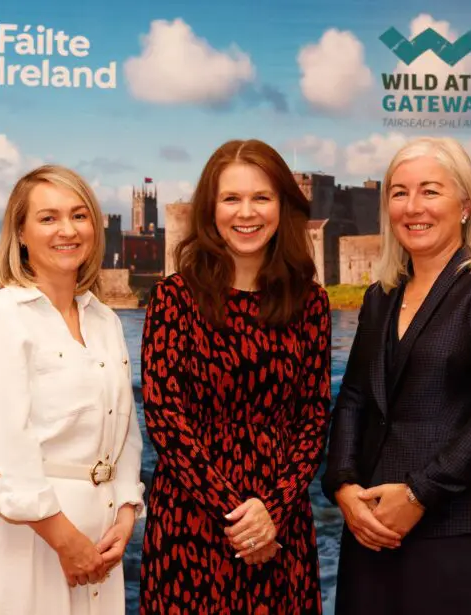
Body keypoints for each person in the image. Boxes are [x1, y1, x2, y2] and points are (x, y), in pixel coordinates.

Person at [321, 137, 471, 614]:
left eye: (429, 191)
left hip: (459, 531)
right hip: (372, 528)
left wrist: (420, 493)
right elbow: (355, 398)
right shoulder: (380, 296)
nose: (412, 206)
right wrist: (342, 485)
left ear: (465, 204)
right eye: (398, 193)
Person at [139, 139, 331, 613]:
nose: (247, 213)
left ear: (282, 206)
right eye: (232, 198)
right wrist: (241, 517)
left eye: (261, 198)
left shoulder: (311, 303)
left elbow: (312, 419)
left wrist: (274, 512)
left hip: (280, 523)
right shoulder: (173, 299)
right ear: (211, 209)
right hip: (191, 521)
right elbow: (166, 420)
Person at [0, 165, 145, 615]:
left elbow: (124, 429)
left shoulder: (104, 320)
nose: (68, 230)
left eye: (79, 216)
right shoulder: (0, 317)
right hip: (30, 538)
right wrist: (65, 540)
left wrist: (124, 511)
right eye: (48, 218)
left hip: (100, 540)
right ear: (20, 232)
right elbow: (1, 448)